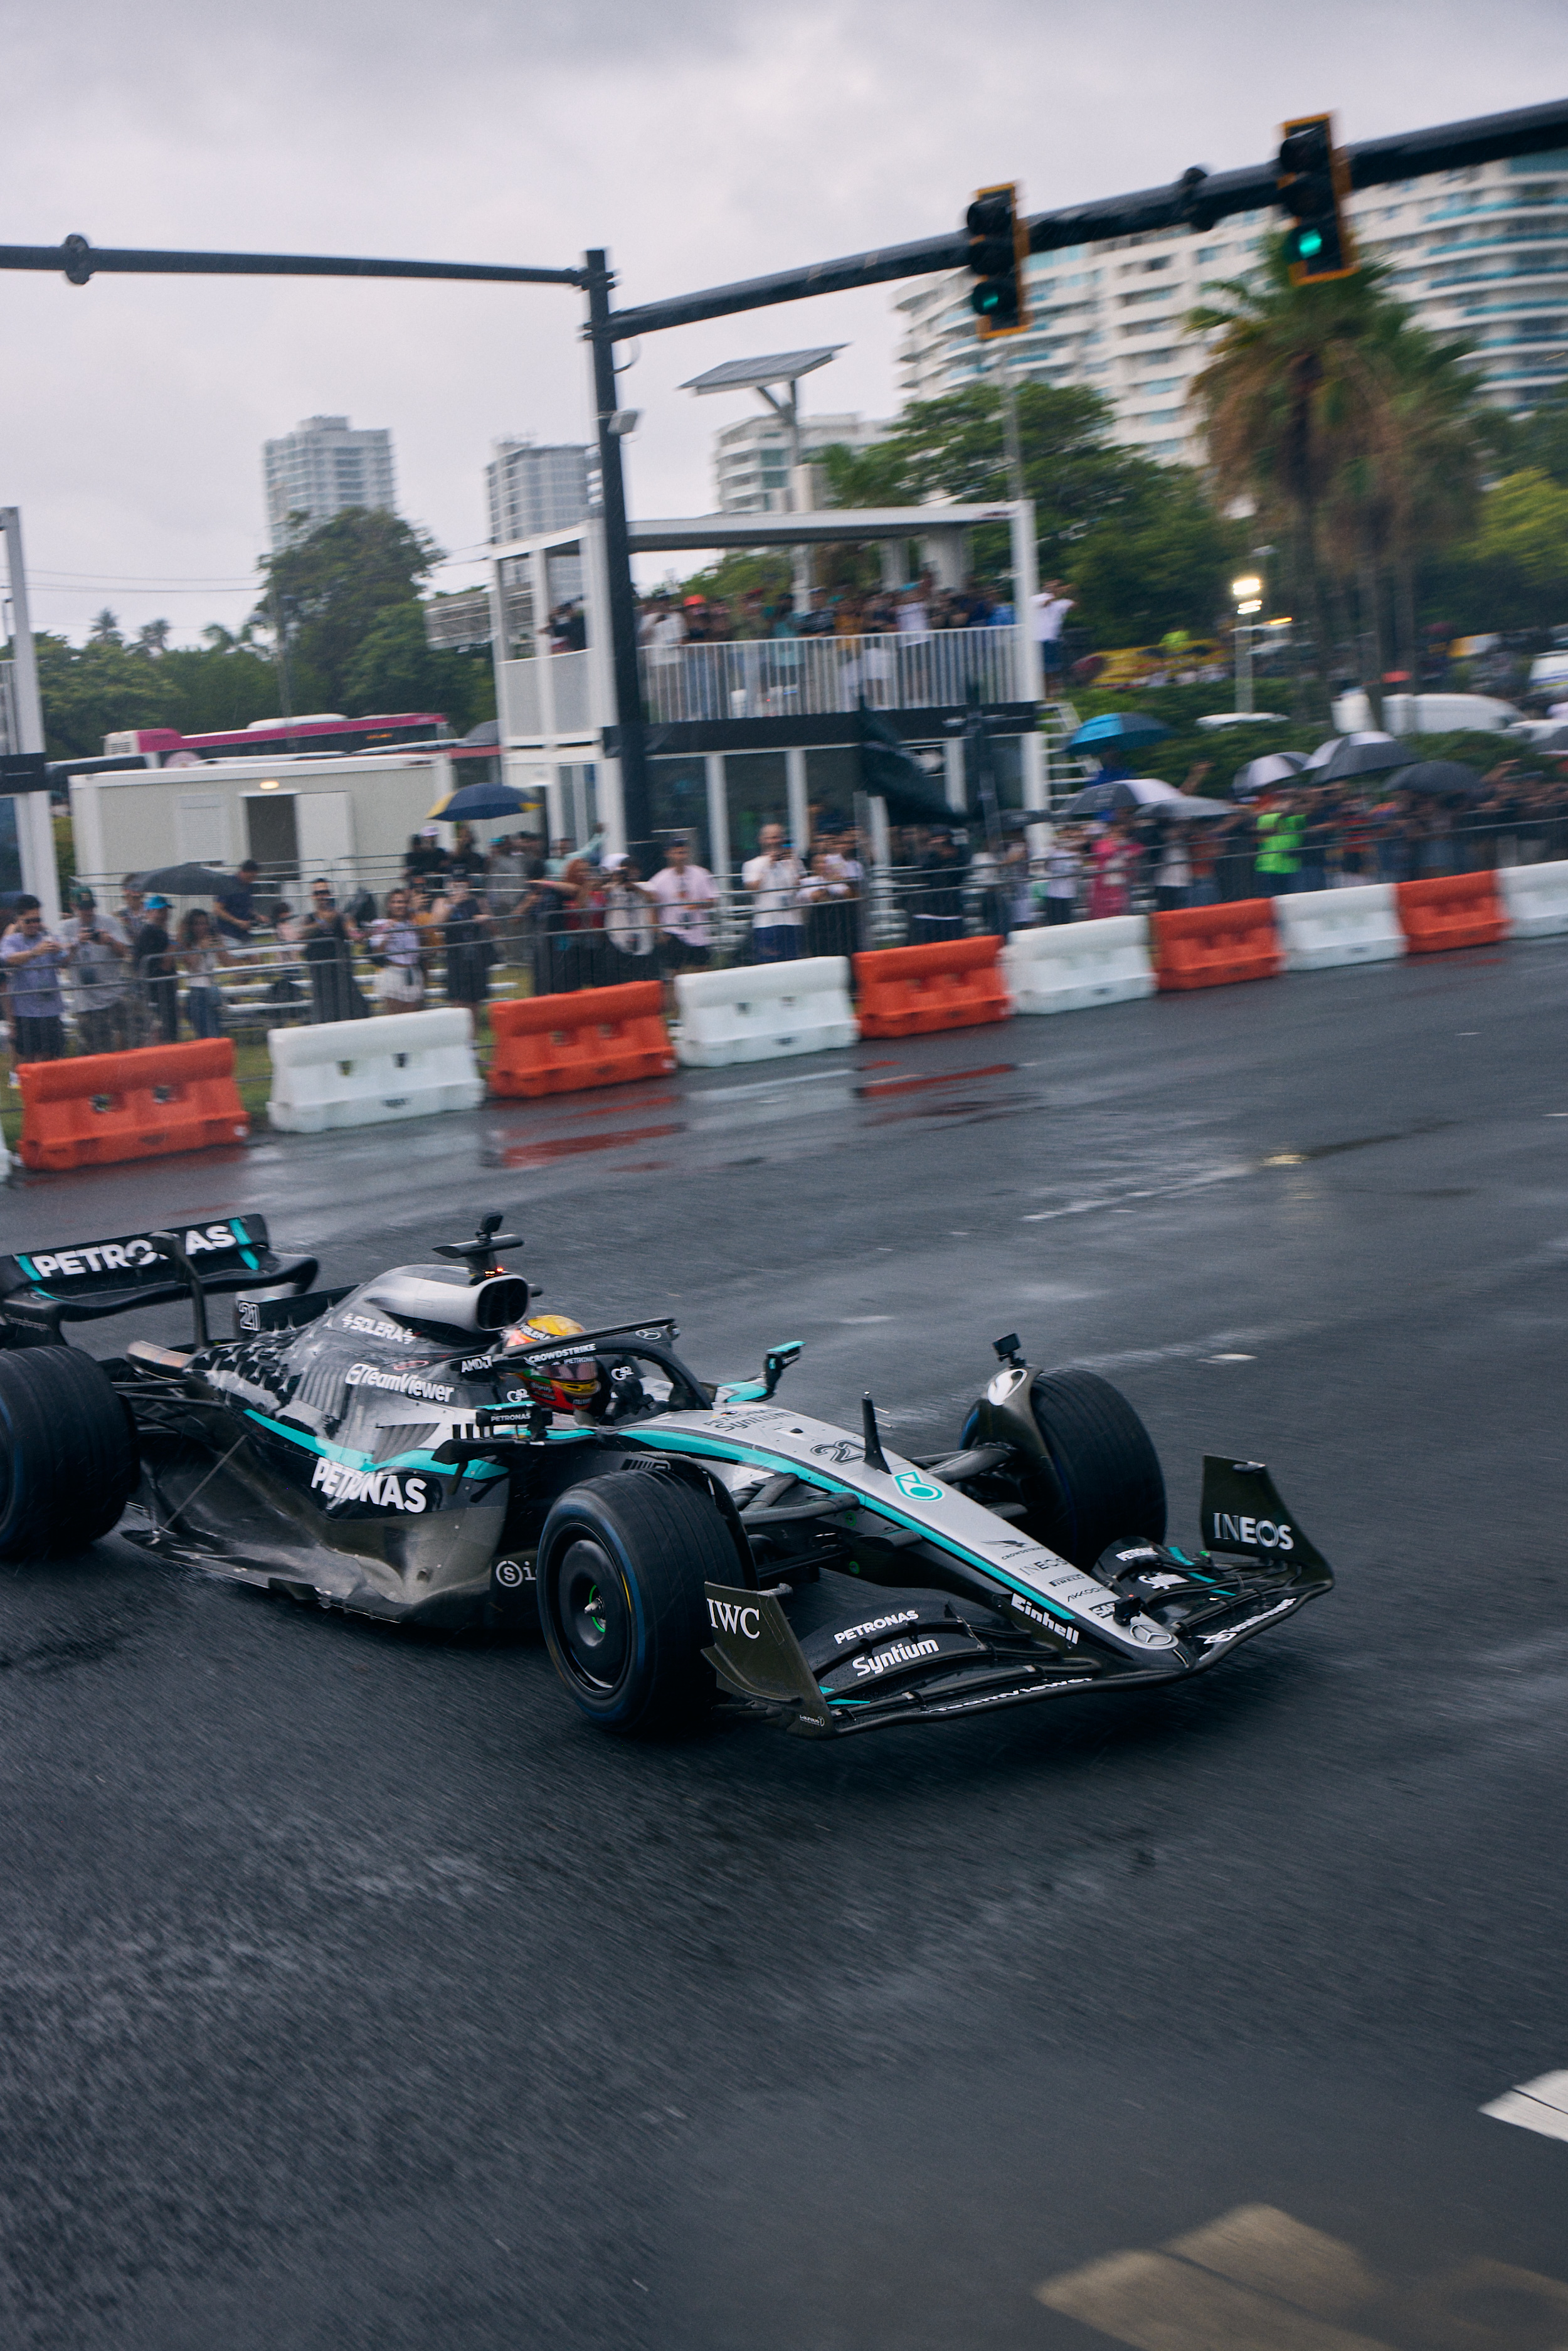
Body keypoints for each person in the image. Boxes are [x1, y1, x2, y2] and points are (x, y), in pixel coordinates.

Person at [645, 837, 718, 1012]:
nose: (681, 856)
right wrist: (658, 932)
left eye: (683, 852)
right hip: (673, 932)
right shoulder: (659, 879)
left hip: (697, 932)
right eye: (677, 852)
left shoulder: (700, 874)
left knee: (703, 971)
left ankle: (704, 1009)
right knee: (674, 976)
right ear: (668, 854)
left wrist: (697, 904)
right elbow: (653, 908)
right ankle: (675, 1014)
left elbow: (712, 900)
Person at [60, 888, 130, 1054]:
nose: (88, 912)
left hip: (114, 994)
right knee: (96, 1050)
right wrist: (77, 942)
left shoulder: (109, 922)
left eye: (91, 907)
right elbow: (62, 962)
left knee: (132, 1038)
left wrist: (110, 941)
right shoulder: (65, 928)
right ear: (73, 906)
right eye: (83, 908)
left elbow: (124, 953)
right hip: (86, 1002)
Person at [1, 897, 70, 1063]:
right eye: (29, 921)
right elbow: (8, 958)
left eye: (37, 920)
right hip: (26, 1012)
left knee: (52, 1058)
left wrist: (63, 950)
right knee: (28, 1060)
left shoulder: (48, 937)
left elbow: (65, 962)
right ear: (19, 920)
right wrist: (34, 953)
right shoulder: (12, 940)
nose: (34, 925)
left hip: (51, 1010)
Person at [297, 881, 365, 1022]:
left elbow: (353, 933)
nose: (322, 896)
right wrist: (322, 922)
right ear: (313, 897)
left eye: (325, 892)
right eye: (318, 893)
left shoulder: (341, 917)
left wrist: (358, 933)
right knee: (326, 1015)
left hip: (342, 974)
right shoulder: (309, 918)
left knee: (355, 1012)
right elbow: (301, 935)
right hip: (321, 976)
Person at [742, 823, 805, 962]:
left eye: (777, 837)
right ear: (762, 840)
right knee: (769, 963)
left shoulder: (794, 862)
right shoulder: (753, 864)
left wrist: (792, 863)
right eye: (770, 838)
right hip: (767, 923)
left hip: (792, 921)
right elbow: (752, 887)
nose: (774, 841)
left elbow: (799, 886)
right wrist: (767, 865)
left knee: (793, 962)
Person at [439, 871, 495, 1017]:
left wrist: (486, 919)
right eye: (456, 884)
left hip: (475, 955)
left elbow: (495, 929)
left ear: (469, 884)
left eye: (462, 883)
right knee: (457, 1000)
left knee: (474, 1001)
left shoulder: (478, 901)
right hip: (455, 956)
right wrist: (453, 904)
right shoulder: (444, 902)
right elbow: (437, 925)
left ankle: (474, 1031)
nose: (459, 887)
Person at [178, 908, 235, 1039]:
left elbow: (229, 963)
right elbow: (192, 966)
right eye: (197, 924)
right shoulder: (188, 944)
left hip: (212, 990)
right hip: (197, 992)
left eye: (204, 923)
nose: (202, 927)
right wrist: (200, 949)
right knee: (207, 1035)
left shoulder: (211, 941)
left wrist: (220, 945)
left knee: (216, 1034)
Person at [366, 887, 426, 1011]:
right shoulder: (380, 923)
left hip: (412, 972)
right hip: (394, 972)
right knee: (396, 1015)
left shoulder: (413, 923)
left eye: (403, 902)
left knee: (414, 1014)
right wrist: (387, 931)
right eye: (395, 902)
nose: (399, 906)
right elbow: (377, 951)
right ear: (389, 905)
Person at [131, 896, 179, 1042]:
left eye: (165, 910)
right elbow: (164, 964)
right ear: (149, 912)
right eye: (159, 911)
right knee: (163, 1033)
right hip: (156, 992)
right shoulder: (149, 932)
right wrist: (175, 944)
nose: (163, 914)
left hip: (163, 991)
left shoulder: (159, 932)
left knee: (168, 1031)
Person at [1030, 579, 1076, 691]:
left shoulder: (1062, 602)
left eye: (1057, 586)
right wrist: (1055, 593)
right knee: (1041, 670)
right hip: (1038, 639)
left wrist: (1072, 591)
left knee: (1054, 669)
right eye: (1051, 585)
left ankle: (1053, 693)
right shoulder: (1036, 598)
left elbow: (1075, 606)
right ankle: (1042, 693)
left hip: (1053, 639)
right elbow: (1044, 604)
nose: (1054, 587)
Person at [1037, 828, 1082, 924]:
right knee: (1053, 922)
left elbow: (1078, 872)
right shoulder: (1055, 853)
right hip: (1053, 894)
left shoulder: (1076, 855)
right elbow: (1046, 867)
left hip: (1068, 895)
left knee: (1066, 922)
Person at [214, 859, 262, 945]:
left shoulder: (248, 887)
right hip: (228, 935)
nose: (252, 880)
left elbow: (247, 908)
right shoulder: (228, 884)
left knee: (256, 952)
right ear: (243, 872)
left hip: (244, 935)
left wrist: (257, 916)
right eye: (250, 877)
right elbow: (218, 910)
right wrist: (237, 922)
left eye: (254, 878)